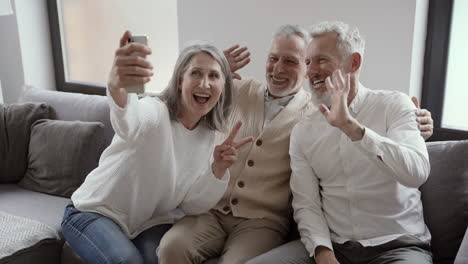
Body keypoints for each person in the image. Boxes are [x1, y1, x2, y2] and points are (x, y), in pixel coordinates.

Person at [158, 25, 434, 264]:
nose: (278, 69)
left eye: (291, 61)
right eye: (273, 58)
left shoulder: (315, 115)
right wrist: (215, 70)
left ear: (305, 69)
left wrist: (414, 121)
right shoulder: (235, 90)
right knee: (171, 248)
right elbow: (171, 106)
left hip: (261, 221)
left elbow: (405, 156)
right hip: (212, 209)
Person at [247, 21, 432, 264]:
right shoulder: (304, 131)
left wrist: (351, 127)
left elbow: (416, 173)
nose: (311, 71)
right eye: (308, 62)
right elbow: (306, 203)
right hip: (334, 246)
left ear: (353, 62)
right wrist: (324, 254)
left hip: (397, 245)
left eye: (321, 60)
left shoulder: (395, 105)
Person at [61, 31, 253, 264]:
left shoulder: (210, 136)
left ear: (224, 85)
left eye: (214, 76)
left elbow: (192, 205)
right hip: (92, 212)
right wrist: (118, 85)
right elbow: (129, 120)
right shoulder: (155, 112)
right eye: (196, 73)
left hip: (147, 223)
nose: (204, 83)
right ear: (180, 80)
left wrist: (218, 170)